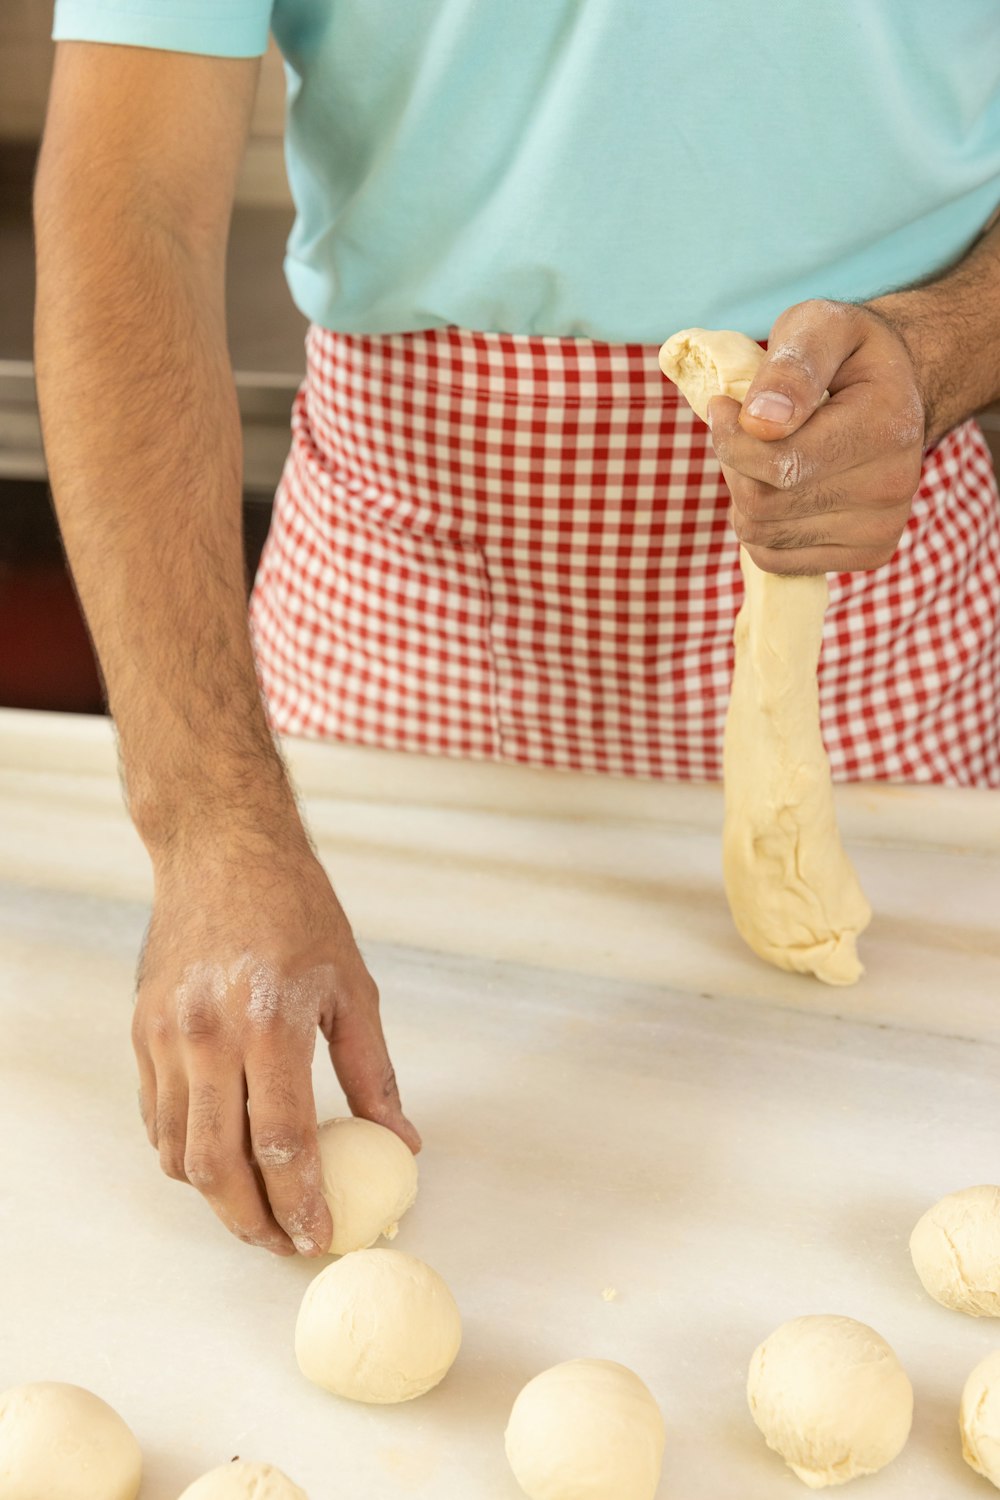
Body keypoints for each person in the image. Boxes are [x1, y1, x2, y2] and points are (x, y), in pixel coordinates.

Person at [34, 4, 1000, 1257]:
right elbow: (127, 208)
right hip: (395, 616)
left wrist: (937, 347)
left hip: (879, 605)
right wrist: (212, 823)